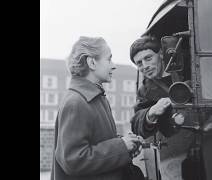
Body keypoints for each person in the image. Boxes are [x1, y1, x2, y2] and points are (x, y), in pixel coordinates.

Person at [51, 36, 143, 180]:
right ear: (92, 62)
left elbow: (98, 143)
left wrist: (127, 145)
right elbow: (73, 161)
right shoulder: (76, 102)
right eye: (108, 59)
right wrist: (121, 147)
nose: (114, 65)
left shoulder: (95, 98)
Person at [129, 35, 212, 139]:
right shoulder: (145, 91)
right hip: (181, 145)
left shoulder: (188, 64)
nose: (145, 66)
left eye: (148, 58)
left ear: (161, 54)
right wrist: (151, 112)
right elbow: (136, 126)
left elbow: (206, 70)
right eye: (139, 63)